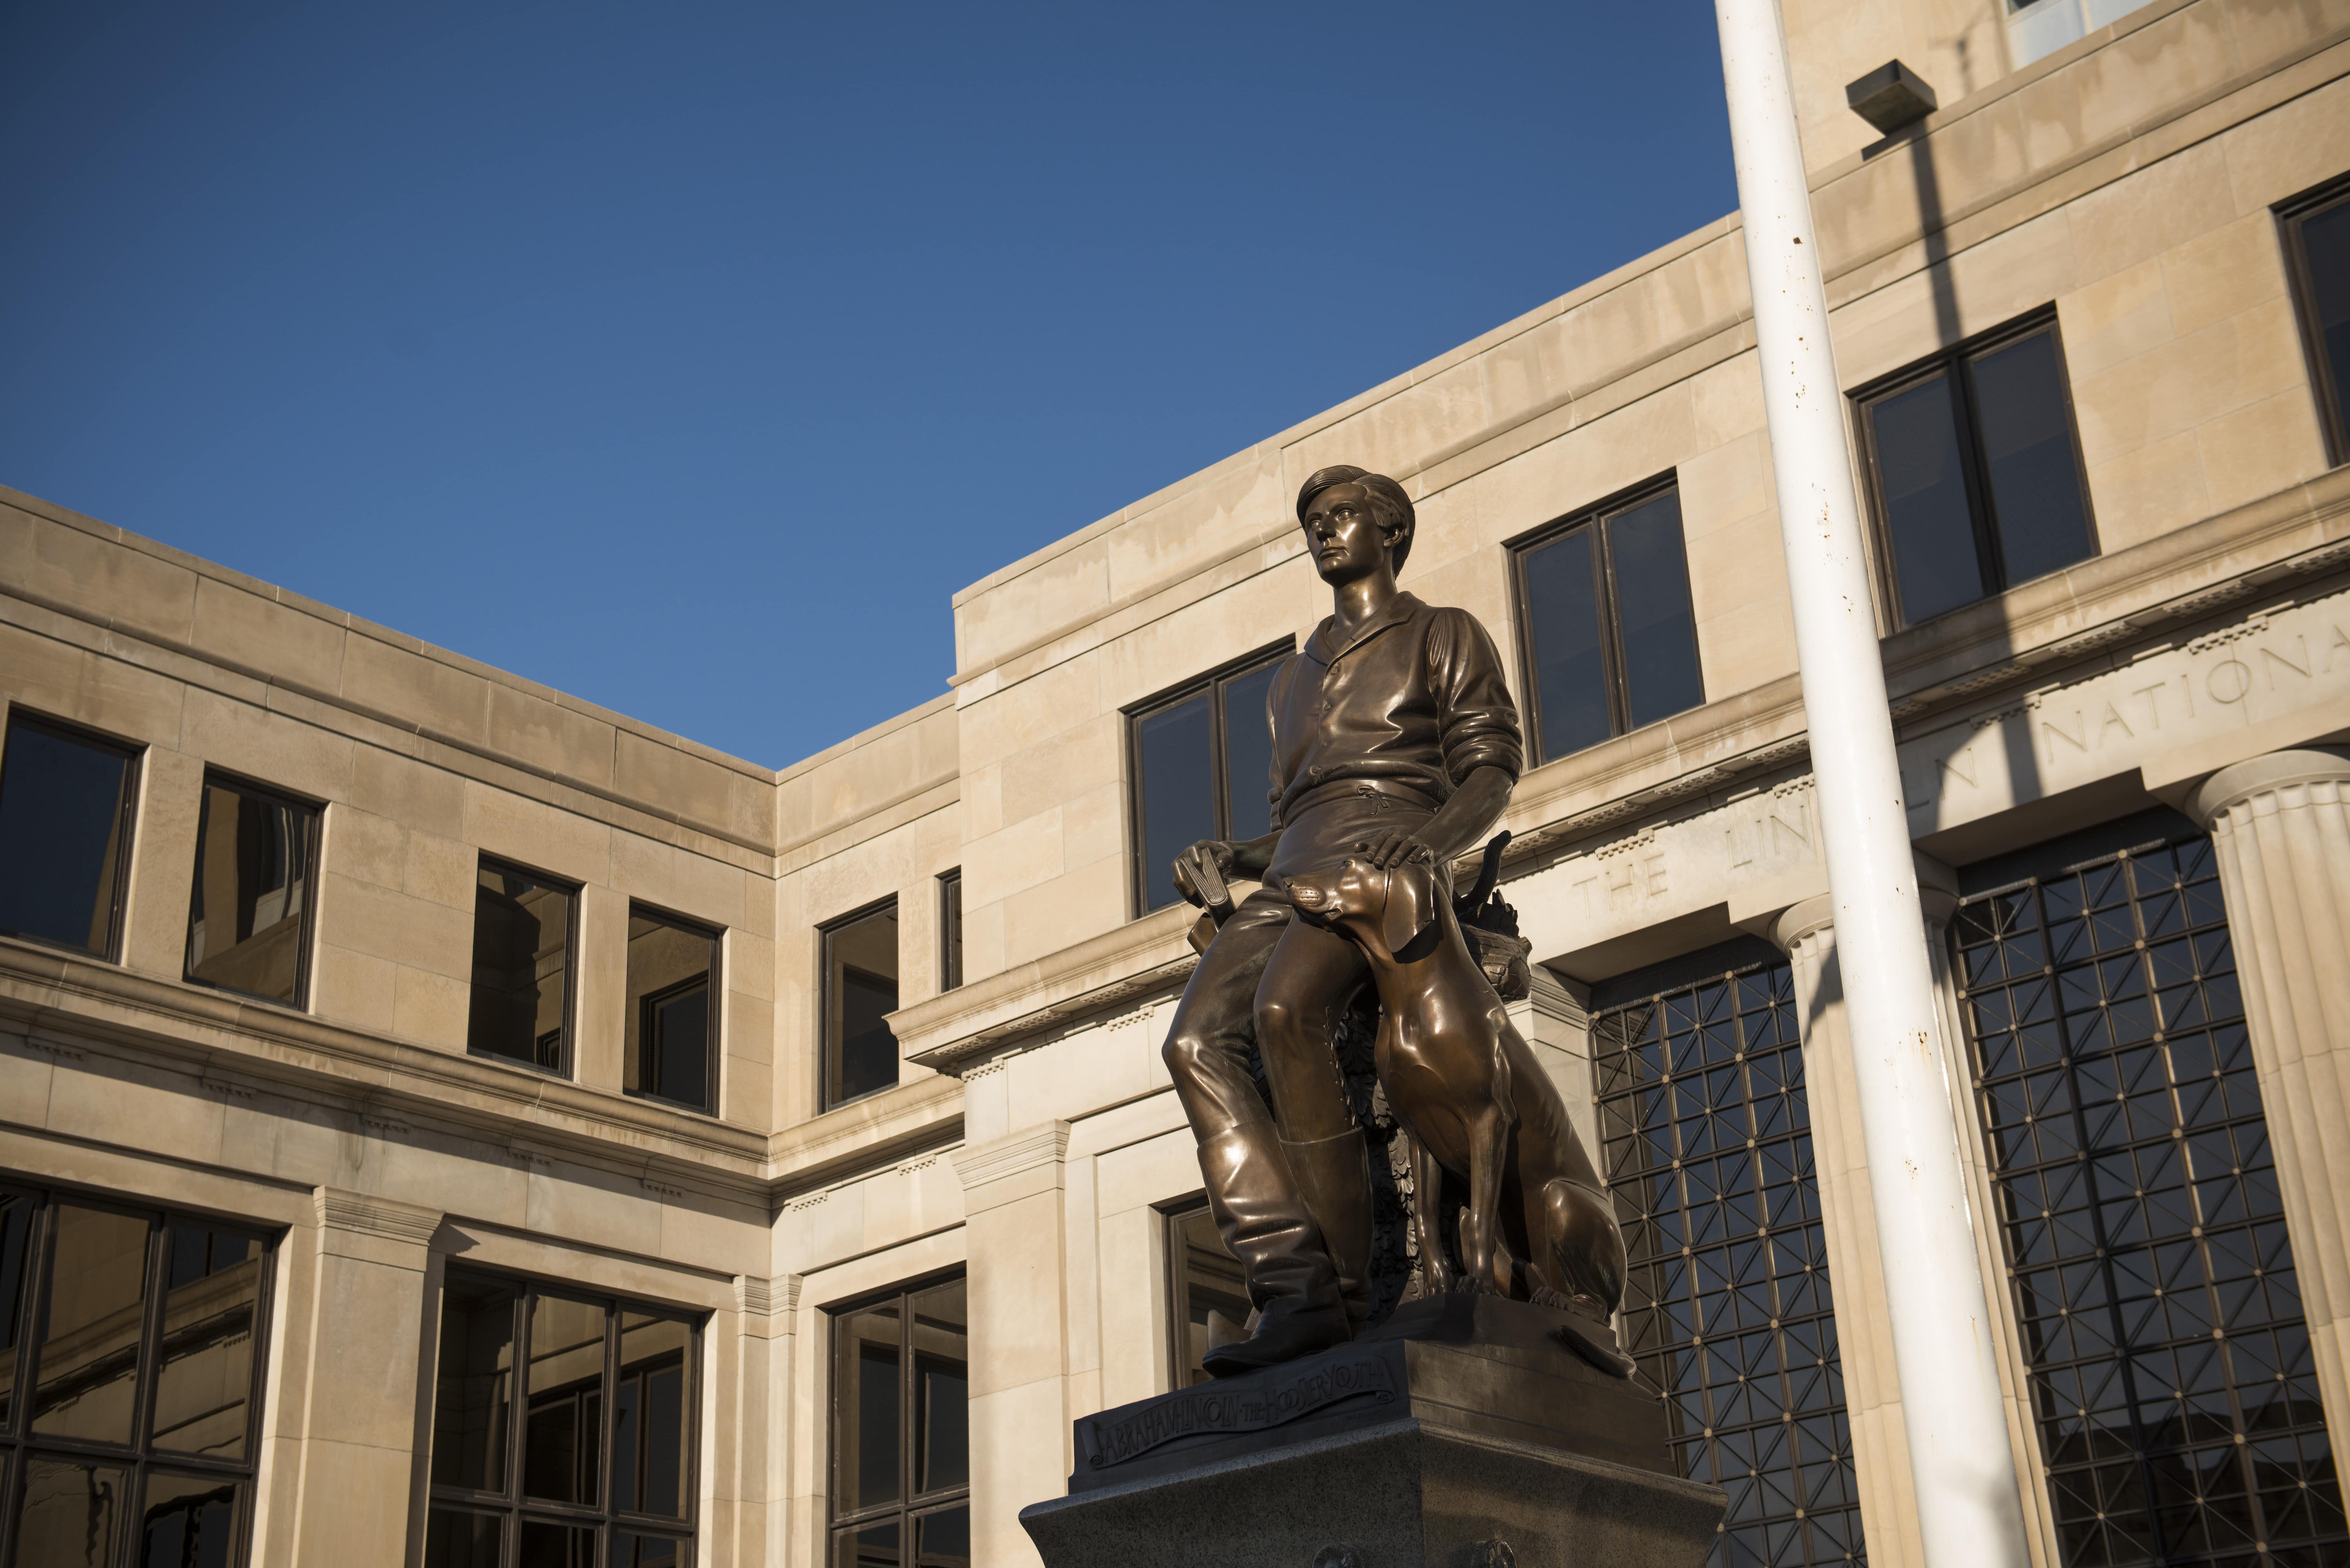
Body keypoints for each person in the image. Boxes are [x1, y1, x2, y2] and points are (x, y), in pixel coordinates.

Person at [1163, 464, 1522, 1376]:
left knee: (1288, 1010)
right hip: (1292, 871)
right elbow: (1297, 816)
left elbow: (1489, 769)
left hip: (1386, 851)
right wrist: (1232, 859)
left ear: (1390, 533)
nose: (1326, 532)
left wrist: (1432, 846)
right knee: (1195, 1042)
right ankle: (1290, 1283)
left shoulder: (1442, 634)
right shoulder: (1290, 678)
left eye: (1345, 517)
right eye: (1314, 522)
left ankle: (1343, 1300)